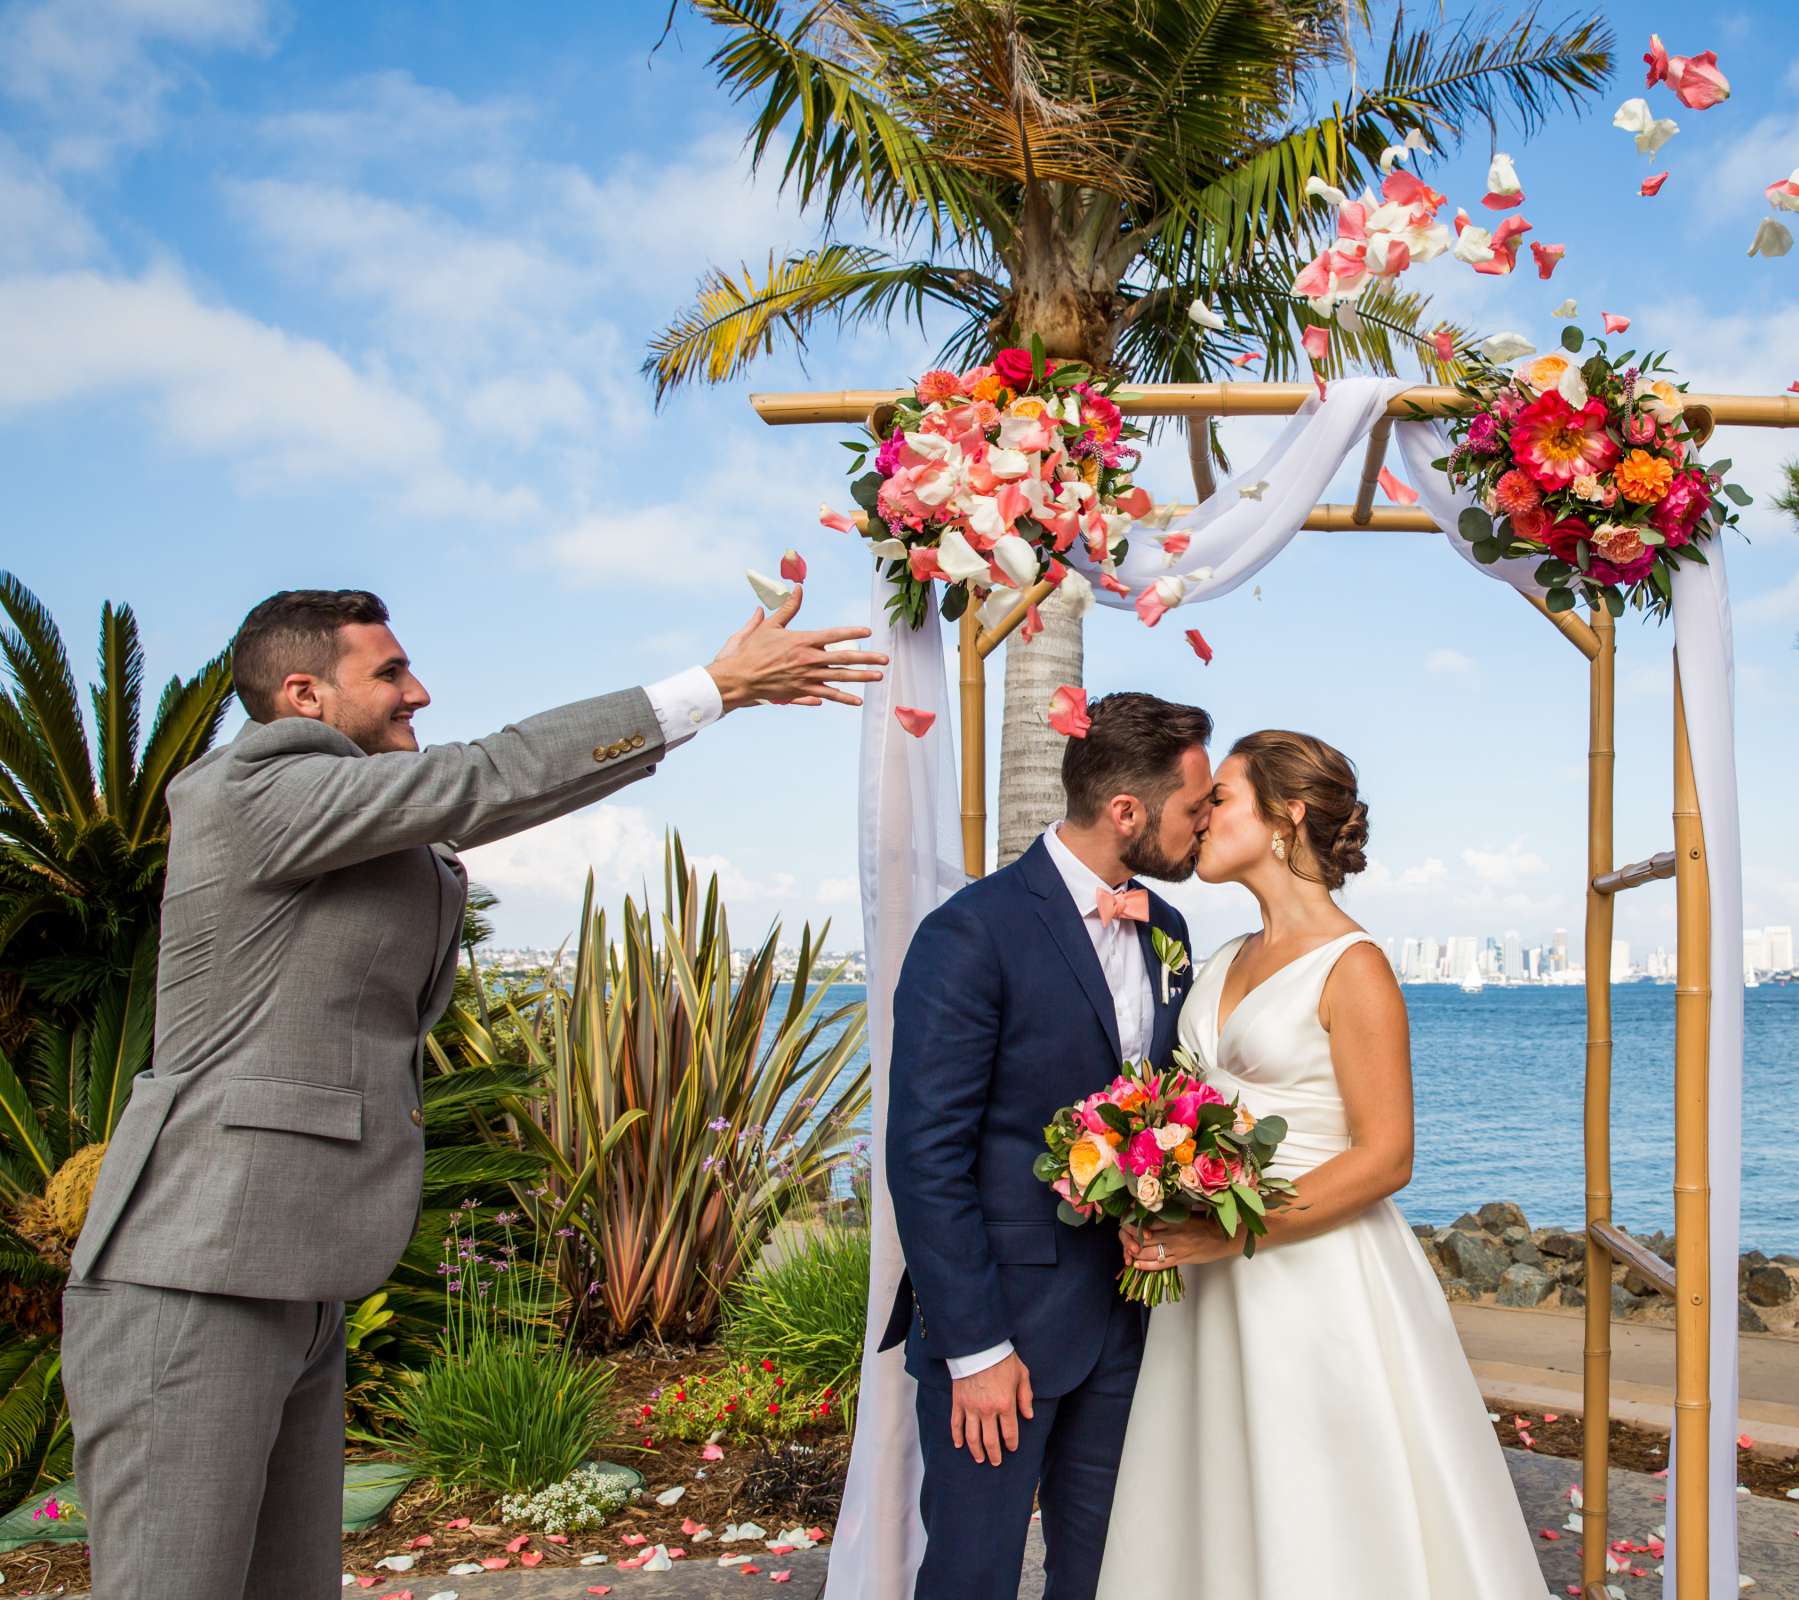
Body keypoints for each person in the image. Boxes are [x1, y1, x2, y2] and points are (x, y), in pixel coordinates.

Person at [62, 584, 884, 1600]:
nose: (420, 690)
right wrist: (709, 688)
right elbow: (486, 779)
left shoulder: (351, 818)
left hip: (293, 1273)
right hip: (195, 1276)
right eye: (390, 673)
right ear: (304, 693)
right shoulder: (248, 789)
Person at [1098, 730, 1548, 1599]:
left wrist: (1227, 1236)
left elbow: (1387, 1157)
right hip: (1206, 1287)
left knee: (1324, 1509)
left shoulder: (1357, 967)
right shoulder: (1221, 958)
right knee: (1208, 1503)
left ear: (1285, 816)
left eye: (1220, 797)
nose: (1200, 816)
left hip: (1314, 1279)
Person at [880, 692, 1212, 1600]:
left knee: (1107, 1574)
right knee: (971, 1577)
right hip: (1003, 1336)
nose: (1206, 824)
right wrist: (977, 1350)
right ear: (1127, 813)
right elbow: (924, 1153)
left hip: (1130, 1321)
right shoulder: (971, 932)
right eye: (1195, 806)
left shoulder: (1170, 931)